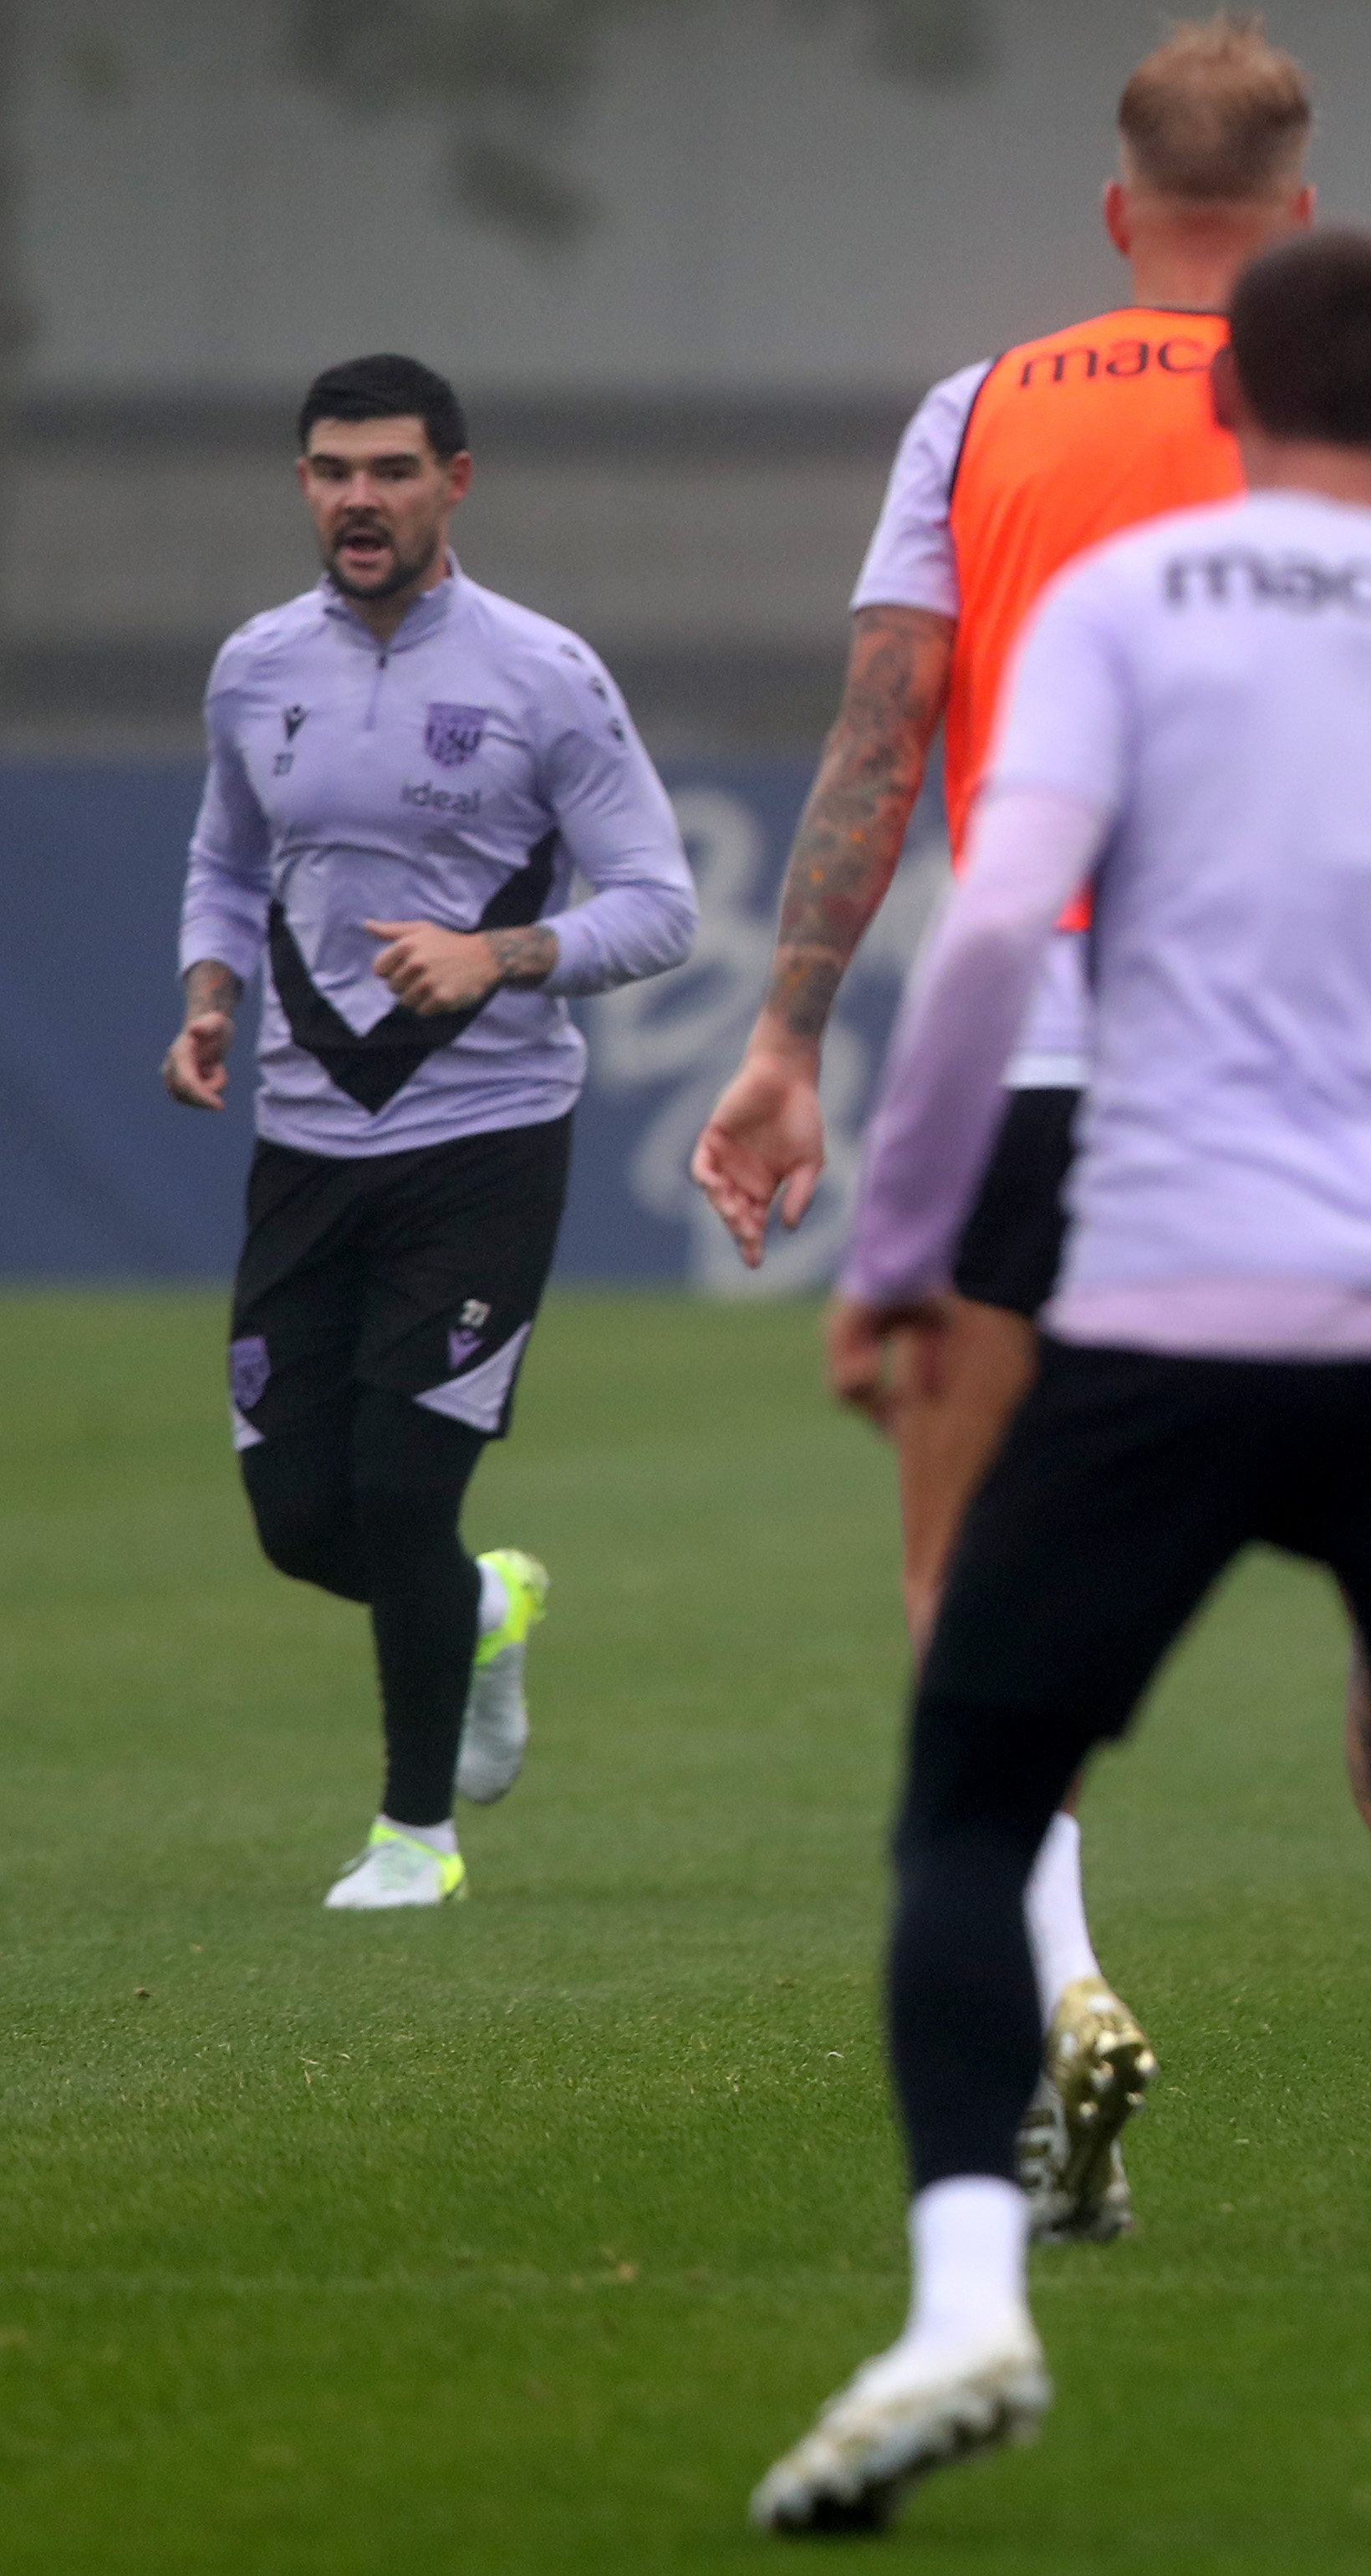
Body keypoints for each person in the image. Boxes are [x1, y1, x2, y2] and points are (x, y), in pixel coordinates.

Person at [688, 13, 1371, 2248]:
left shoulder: (973, 411)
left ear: (1111, 206)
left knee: (973, 1576)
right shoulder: (1363, 423)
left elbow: (884, 730)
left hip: (1049, 1060)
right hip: (1341, 1086)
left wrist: (790, 1032)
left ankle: (1061, 1986)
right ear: (1294, 222)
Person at [168, 354, 696, 1908]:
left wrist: (501, 954)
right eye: (331, 469)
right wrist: (207, 995)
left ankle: (416, 1838)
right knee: (298, 1521)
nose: (358, 497)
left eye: (391, 469)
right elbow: (223, 861)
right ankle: (478, 1608)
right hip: (304, 1141)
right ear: (304, 485)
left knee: (403, 1491)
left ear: (454, 482)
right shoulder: (255, 668)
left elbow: (658, 905)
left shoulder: (544, 674)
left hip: (486, 1140)